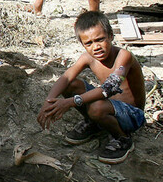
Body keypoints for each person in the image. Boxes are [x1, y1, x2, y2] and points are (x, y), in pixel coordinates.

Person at [37, 11, 145, 165]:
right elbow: (66, 77)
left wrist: (69, 102)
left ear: (111, 36)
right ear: (83, 44)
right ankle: (94, 122)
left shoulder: (124, 56)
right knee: (71, 85)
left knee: (96, 107)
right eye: (89, 43)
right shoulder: (87, 58)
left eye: (100, 40)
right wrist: (49, 101)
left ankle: (122, 138)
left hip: (132, 116)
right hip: (109, 106)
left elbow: (109, 88)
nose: (96, 47)